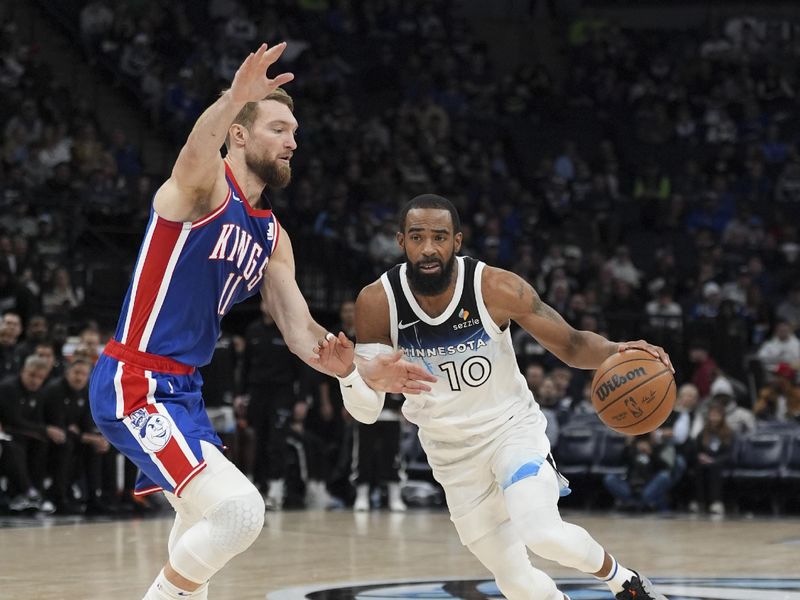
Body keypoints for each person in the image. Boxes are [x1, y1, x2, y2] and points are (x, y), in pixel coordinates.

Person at [88, 43, 434, 600]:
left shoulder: (273, 236)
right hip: (136, 382)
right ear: (240, 135)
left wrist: (361, 368)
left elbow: (301, 333)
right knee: (240, 512)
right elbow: (196, 147)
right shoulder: (201, 189)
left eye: (295, 132)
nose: (293, 141)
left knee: (199, 528)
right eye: (278, 128)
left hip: (184, 390)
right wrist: (235, 97)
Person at [318, 195, 673, 600]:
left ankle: (625, 583)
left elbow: (572, 345)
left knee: (541, 531)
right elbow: (366, 413)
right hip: (450, 455)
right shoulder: (377, 301)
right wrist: (348, 374)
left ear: (457, 241)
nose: (429, 248)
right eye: (417, 237)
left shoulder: (495, 288)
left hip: (511, 432)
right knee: (514, 582)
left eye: (439, 237)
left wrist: (617, 350)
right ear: (401, 241)